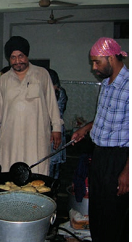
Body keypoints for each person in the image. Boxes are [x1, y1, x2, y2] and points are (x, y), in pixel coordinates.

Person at [71, 37, 129, 242]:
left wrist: (127, 172)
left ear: (111, 58)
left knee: (115, 216)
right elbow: (104, 117)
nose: (94, 67)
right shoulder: (105, 84)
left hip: (121, 160)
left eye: (97, 62)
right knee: (98, 212)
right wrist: (86, 128)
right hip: (100, 156)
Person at [0, 36, 61, 175]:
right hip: (10, 136)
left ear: (27, 56)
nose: (17, 61)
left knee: (36, 170)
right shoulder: (4, 79)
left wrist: (56, 127)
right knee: (8, 170)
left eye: (20, 56)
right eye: (13, 57)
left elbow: (52, 102)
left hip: (36, 134)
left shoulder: (41, 74)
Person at [47, 68, 68, 179]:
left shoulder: (60, 92)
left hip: (55, 130)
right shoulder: (44, 92)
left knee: (54, 164)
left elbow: (58, 112)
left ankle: (52, 192)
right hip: (45, 131)